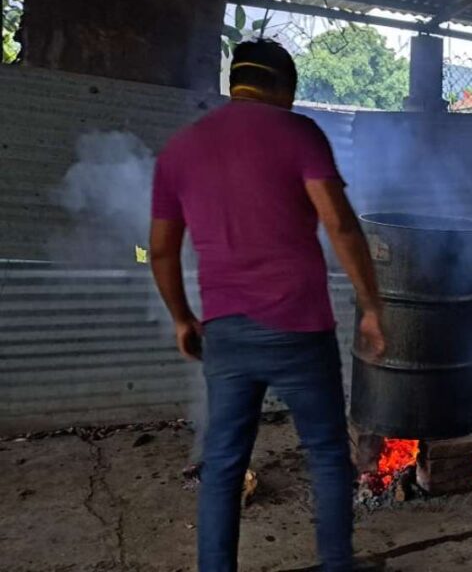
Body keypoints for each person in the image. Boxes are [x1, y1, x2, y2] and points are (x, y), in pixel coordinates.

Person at [149, 39, 385, 572]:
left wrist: (182, 315)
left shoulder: (180, 149)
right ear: (286, 87)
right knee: (326, 453)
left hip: (227, 333)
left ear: (237, 82)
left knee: (224, 466)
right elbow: (340, 224)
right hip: (300, 326)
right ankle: (336, 564)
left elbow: (160, 248)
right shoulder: (299, 133)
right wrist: (370, 304)